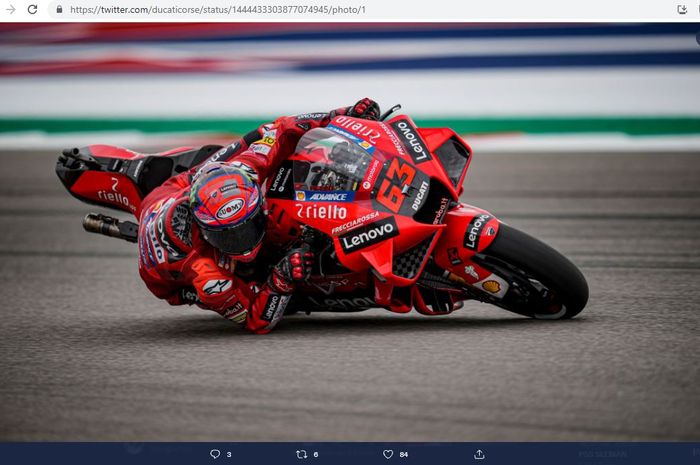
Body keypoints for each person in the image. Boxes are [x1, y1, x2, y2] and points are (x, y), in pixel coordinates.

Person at [136, 98, 381, 334]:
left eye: (250, 226)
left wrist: (341, 113)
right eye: (231, 237)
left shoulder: (246, 169)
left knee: (260, 136)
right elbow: (256, 321)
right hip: (169, 278)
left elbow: (282, 128)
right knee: (268, 281)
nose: (246, 242)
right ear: (207, 232)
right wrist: (281, 279)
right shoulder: (206, 274)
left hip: (181, 187)